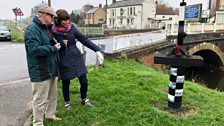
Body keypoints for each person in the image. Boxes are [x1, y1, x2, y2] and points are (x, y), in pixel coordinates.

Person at [52, 9, 104, 109]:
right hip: (63, 57)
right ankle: (67, 103)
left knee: (84, 80)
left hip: (76, 56)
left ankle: (84, 100)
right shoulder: (52, 31)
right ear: (58, 20)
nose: (67, 22)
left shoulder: (72, 28)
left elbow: (84, 39)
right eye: (64, 20)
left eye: (68, 20)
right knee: (66, 82)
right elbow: (51, 44)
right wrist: (61, 44)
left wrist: (97, 50)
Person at [24, 4, 62, 126]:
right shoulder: (32, 29)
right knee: (40, 100)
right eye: (52, 16)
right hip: (40, 70)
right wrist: (52, 48)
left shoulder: (47, 28)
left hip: (51, 68)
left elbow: (49, 42)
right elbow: (33, 50)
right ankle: (38, 123)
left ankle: (50, 115)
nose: (53, 19)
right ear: (44, 15)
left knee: (52, 96)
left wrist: (56, 44)